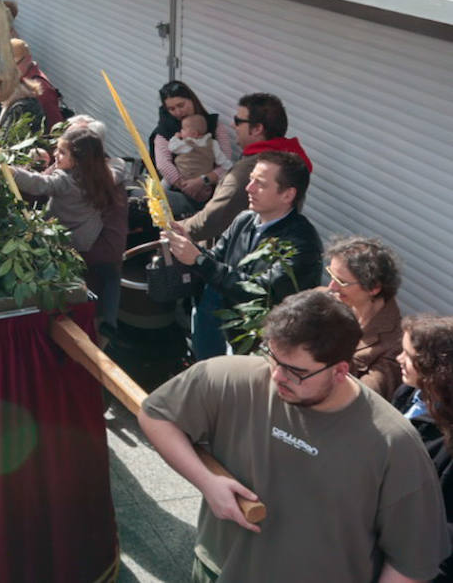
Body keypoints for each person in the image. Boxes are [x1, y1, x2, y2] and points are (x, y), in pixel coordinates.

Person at [138, 289, 450, 583]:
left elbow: (411, 564)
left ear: (340, 371)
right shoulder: (231, 377)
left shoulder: (394, 444)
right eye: (272, 357)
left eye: (296, 371)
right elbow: (156, 415)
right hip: (216, 569)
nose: (276, 376)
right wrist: (206, 482)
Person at [167, 151, 323, 360]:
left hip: (262, 348)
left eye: (260, 184)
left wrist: (198, 260)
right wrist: (190, 247)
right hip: (227, 330)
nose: (249, 188)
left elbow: (260, 292)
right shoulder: (245, 220)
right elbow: (217, 259)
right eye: (251, 180)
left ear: (287, 195)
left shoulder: (302, 244)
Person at [10, 126, 128, 337]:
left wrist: (12, 172)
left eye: (62, 152)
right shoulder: (100, 176)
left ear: (78, 159)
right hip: (87, 237)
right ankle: (109, 321)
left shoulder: (65, 180)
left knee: (70, 278)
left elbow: (39, 184)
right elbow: (119, 167)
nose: (56, 154)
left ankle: (68, 318)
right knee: (111, 276)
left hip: (64, 239)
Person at [181, 92, 311, 243]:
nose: (233, 125)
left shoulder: (248, 171)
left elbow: (210, 221)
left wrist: (174, 229)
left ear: (257, 129)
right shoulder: (291, 160)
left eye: (238, 121)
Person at [394, 315, 453, 583]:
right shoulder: (408, 393)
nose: (398, 359)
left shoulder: (446, 439)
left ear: (435, 368)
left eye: (408, 355)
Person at [326, 236, 404, 400]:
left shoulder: (396, 345)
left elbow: (367, 396)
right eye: (331, 275)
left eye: (341, 281)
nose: (331, 287)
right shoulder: (325, 299)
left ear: (373, 288)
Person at [151, 80, 237, 213]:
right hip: (178, 190)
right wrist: (186, 186)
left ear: (192, 100)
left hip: (211, 191)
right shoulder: (164, 130)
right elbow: (163, 164)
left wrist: (203, 181)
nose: (178, 112)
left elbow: (226, 161)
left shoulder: (214, 125)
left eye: (181, 105)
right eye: (172, 109)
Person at [165, 113, 232, 209]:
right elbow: (222, 160)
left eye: (183, 129)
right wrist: (228, 165)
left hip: (184, 177)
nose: (181, 131)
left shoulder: (186, 144)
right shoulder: (212, 143)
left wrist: (175, 137)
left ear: (194, 134)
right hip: (203, 184)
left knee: (167, 179)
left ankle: (160, 193)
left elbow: (172, 147)